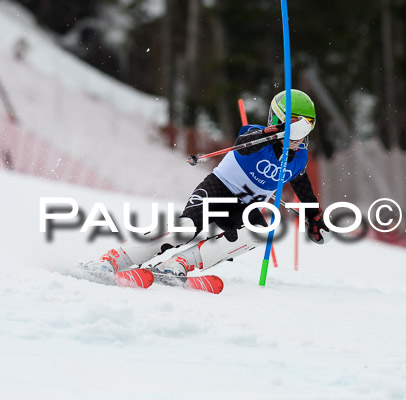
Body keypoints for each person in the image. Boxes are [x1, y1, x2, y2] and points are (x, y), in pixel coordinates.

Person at [85, 89, 330, 277]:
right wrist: (272, 135)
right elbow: (245, 144)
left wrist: (315, 218)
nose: (301, 137)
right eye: (297, 127)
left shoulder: (298, 156)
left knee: (259, 233)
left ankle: (179, 263)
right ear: (279, 120)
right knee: (187, 228)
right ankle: (116, 258)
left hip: (245, 208)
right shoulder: (255, 135)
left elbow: (301, 184)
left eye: (307, 127)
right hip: (218, 191)